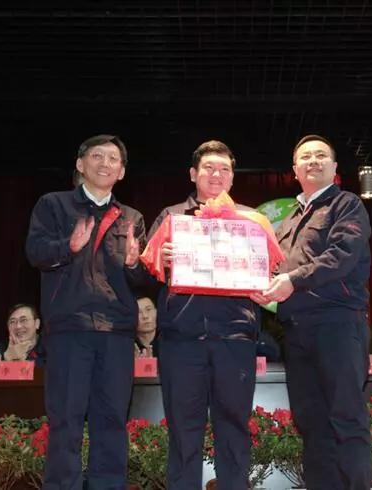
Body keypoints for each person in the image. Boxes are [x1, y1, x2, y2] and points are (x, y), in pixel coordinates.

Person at [252, 134, 372, 490]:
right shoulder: (290, 218)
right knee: (311, 424)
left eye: (321, 155)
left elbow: (341, 256)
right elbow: (275, 268)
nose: (313, 161)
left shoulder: (347, 204)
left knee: (346, 419)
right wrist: (258, 285)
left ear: (334, 167)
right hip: (296, 331)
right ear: (294, 170)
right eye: (306, 157)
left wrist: (291, 280)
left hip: (337, 325)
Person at [26, 134, 146, 490]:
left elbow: (142, 279)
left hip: (116, 333)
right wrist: (68, 246)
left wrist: (135, 264)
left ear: (121, 172)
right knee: (65, 421)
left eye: (113, 159)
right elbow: (35, 252)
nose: (105, 163)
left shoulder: (131, 218)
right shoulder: (53, 205)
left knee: (112, 421)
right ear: (81, 164)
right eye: (97, 156)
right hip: (69, 330)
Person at [148, 140, 260, 489]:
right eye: (209, 168)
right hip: (181, 341)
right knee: (183, 433)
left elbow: (272, 271)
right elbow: (141, 274)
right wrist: (160, 260)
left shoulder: (251, 221)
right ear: (193, 174)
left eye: (224, 169)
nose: (217, 174)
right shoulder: (171, 218)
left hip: (235, 340)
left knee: (234, 430)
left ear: (232, 178)